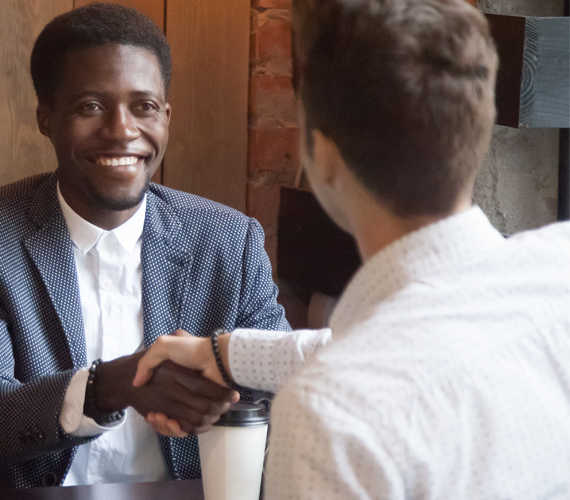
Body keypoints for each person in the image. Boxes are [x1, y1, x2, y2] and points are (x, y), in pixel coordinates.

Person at [133, 0, 570, 497]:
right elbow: (399, 348)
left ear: (325, 156)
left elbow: (381, 358)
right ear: (478, 127)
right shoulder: (560, 272)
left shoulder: (331, 412)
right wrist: (223, 351)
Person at [0, 3, 290, 490]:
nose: (122, 130)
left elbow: (289, 391)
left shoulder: (229, 240)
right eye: (90, 107)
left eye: (143, 107)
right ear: (46, 118)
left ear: (165, 116)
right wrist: (113, 384)